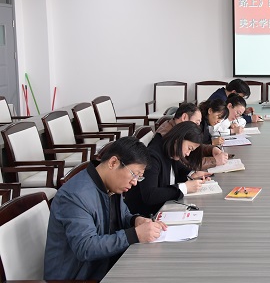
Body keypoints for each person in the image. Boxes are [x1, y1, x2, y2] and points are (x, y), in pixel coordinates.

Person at [45, 137, 167, 281]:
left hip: (107, 265)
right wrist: (134, 235)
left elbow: (121, 215)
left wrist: (135, 220)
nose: (134, 182)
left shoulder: (110, 184)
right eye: (134, 174)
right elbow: (86, 248)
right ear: (113, 162)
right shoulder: (74, 196)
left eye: (139, 177)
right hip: (80, 277)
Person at [124, 121, 212, 217]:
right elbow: (150, 195)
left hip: (162, 208)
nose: (188, 153)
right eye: (189, 148)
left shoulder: (169, 150)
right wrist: (184, 188)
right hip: (144, 215)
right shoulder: (153, 156)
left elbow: (180, 169)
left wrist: (192, 174)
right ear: (178, 139)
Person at [155, 102, 226, 170]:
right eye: (196, 123)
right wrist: (215, 161)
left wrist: (211, 149)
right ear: (184, 117)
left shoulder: (176, 128)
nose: (197, 127)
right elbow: (185, 164)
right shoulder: (168, 135)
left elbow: (193, 147)